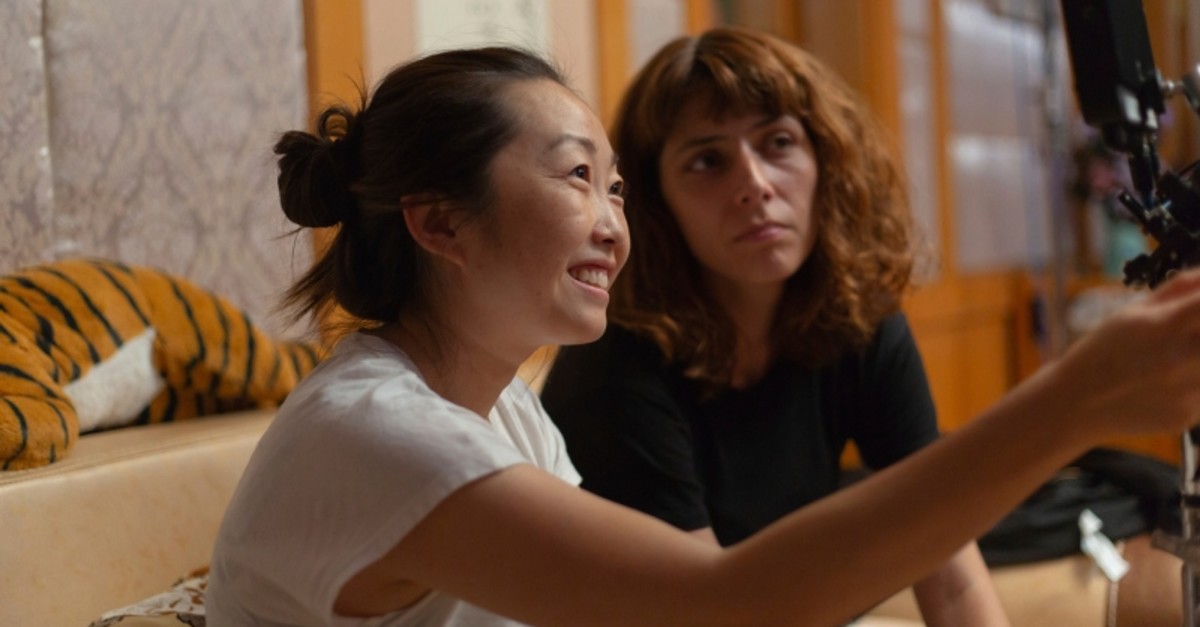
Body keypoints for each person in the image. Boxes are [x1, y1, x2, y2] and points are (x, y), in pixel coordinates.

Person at [207, 43, 1200, 627]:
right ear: (440, 223)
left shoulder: (502, 410)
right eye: (577, 177)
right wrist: (1072, 402)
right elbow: (722, 606)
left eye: (615, 188)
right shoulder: (380, 431)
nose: (613, 223)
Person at [538, 27, 1003, 624]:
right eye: (708, 161)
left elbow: (952, 576)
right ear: (656, 203)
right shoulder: (616, 366)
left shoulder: (859, 318)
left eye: (778, 142)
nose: (755, 186)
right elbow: (714, 613)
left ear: (825, 160)